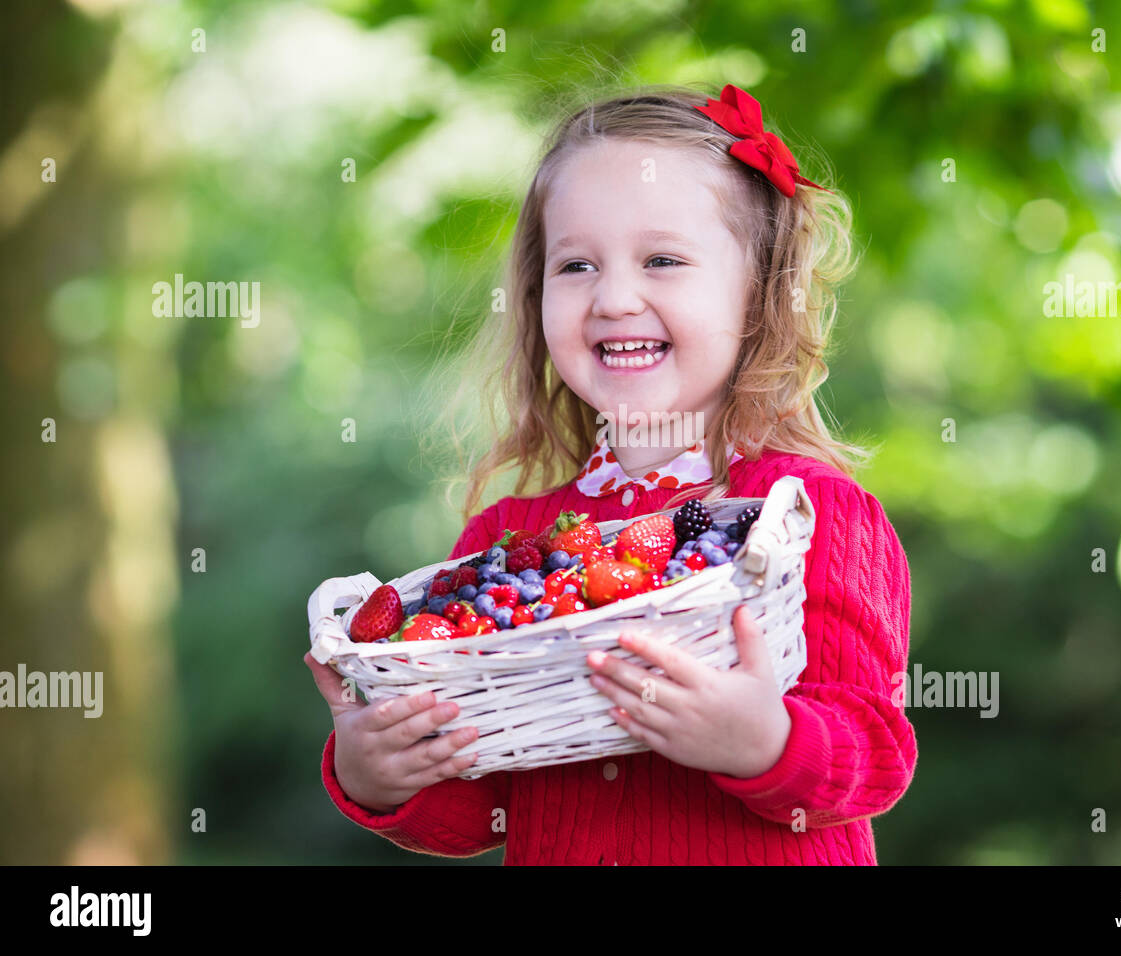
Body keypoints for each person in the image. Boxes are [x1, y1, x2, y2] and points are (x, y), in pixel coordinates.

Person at [305, 83, 918, 865]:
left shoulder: (809, 514)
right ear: (535, 297)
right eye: (577, 265)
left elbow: (876, 756)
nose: (615, 297)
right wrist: (382, 774)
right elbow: (486, 811)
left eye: (662, 260)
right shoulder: (506, 542)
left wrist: (767, 741)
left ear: (760, 294)